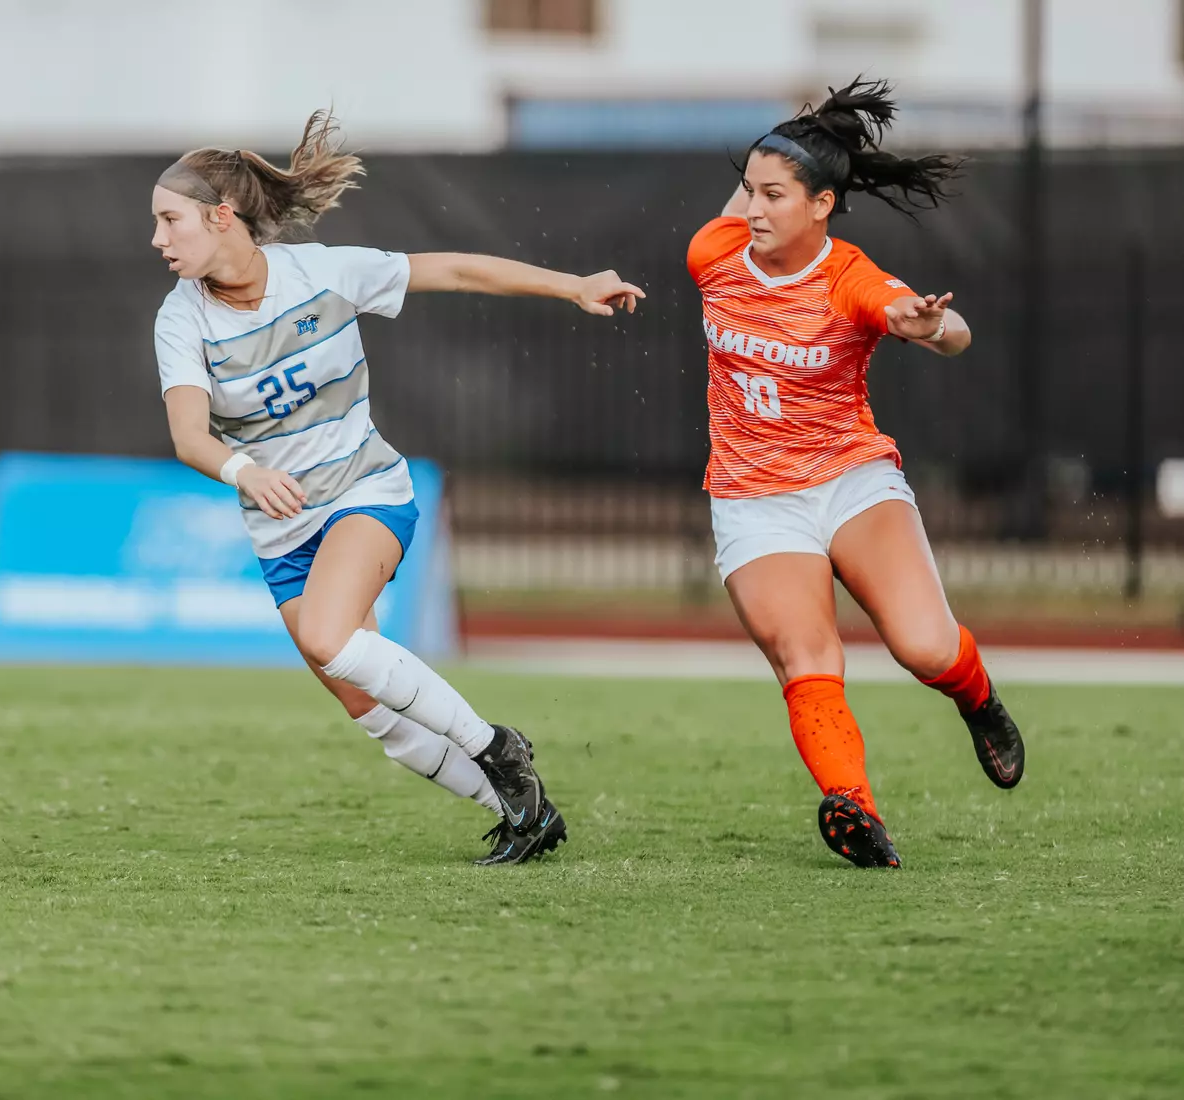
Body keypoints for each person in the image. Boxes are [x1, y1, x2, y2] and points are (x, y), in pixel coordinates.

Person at [151, 111, 644, 864]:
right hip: (280, 532)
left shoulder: (322, 273)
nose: (157, 238)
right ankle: (524, 812)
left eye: (168, 219)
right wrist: (245, 471)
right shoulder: (180, 319)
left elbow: (456, 269)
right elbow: (189, 436)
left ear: (222, 217)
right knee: (368, 708)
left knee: (328, 637)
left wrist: (571, 285)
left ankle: (496, 745)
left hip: (364, 493)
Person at [686, 79, 1025, 868]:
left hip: (849, 479)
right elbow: (742, 209)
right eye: (747, 189)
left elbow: (954, 334)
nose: (752, 208)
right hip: (753, 496)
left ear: (823, 205)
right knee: (807, 659)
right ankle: (853, 807)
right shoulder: (713, 254)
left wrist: (933, 326)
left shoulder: (850, 279)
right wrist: (791, 135)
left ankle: (979, 700)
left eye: (773, 194)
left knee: (926, 648)